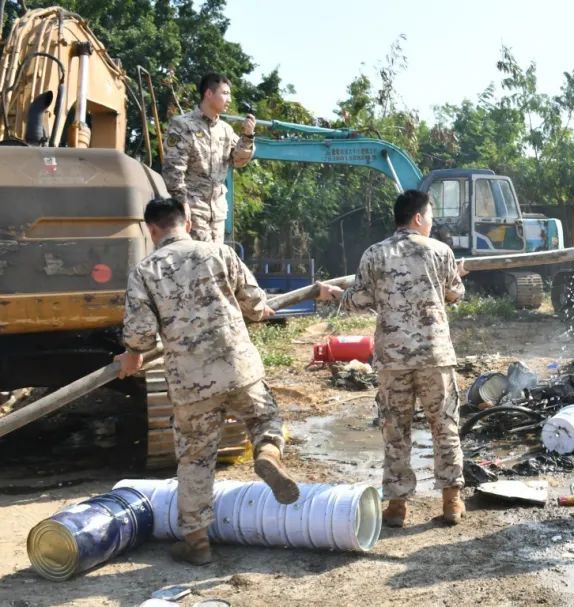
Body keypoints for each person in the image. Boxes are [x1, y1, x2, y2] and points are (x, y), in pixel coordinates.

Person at [115, 197, 299, 565]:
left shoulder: (146, 271)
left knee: (196, 458)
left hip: (191, 383)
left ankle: (197, 542)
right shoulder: (219, 252)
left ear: (152, 230)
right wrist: (261, 308)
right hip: (239, 369)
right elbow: (255, 305)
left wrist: (131, 356)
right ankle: (266, 453)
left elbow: (140, 336)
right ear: (187, 221)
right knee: (265, 420)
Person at [318, 189, 468, 527]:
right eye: (429, 215)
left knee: (395, 430)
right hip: (434, 355)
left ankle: (398, 506)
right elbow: (455, 293)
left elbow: (359, 300)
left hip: (392, 357)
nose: (431, 221)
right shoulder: (441, 252)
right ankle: (451, 502)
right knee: (444, 427)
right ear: (418, 218)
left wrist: (337, 295)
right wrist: (455, 277)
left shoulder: (374, 254)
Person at [162, 73, 256, 243]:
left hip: (217, 214)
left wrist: (248, 137)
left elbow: (239, 160)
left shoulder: (225, 130)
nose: (229, 99)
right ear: (209, 94)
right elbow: (173, 169)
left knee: (214, 264)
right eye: (225, 93)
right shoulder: (183, 124)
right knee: (196, 263)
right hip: (193, 209)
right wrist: (181, 204)